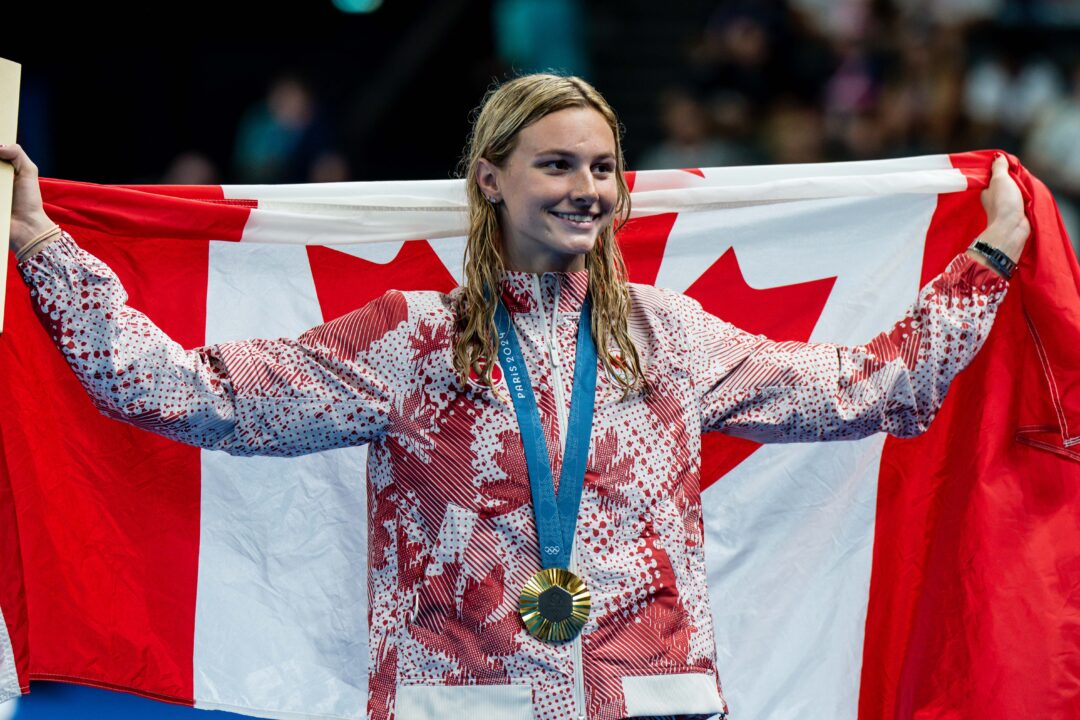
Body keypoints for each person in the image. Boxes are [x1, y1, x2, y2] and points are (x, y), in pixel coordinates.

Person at [2, 73, 1029, 720]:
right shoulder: (406, 340)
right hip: (459, 706)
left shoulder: (667, 339)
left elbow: (871, 390)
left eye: (602, 166)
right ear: (489, 178)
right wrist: (45, 249)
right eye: (555, 163)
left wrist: (988, 259)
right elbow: (182, 393)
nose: (586, 185)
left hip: (656, 704)